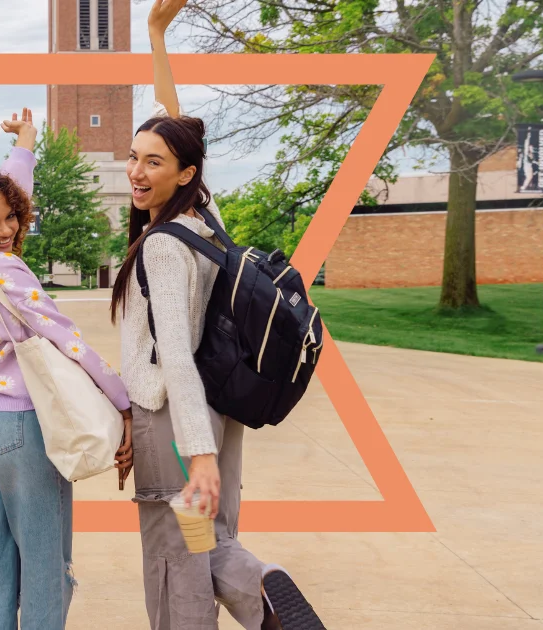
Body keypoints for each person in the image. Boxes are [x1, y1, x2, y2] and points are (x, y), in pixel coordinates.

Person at [109, 1, 325, 629]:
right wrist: (155, 34)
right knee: (211, 537)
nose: (137, 171)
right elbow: (178, 127)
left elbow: (172, 351)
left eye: (153, 162)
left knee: (175, 560)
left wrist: (193, 454)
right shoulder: (206, 222)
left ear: (184, 174)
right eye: (133, 157)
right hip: (217, 409)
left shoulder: (165, 246)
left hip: (176, 420)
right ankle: (263, 593)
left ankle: (259, 590)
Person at [0, 108, 135, 629]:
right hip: (22, 431)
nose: (6, 229)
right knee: (45, 572)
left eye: (10, 216)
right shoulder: (6, 269)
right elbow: (67, 338)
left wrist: (25, 144)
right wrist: (123, 402)